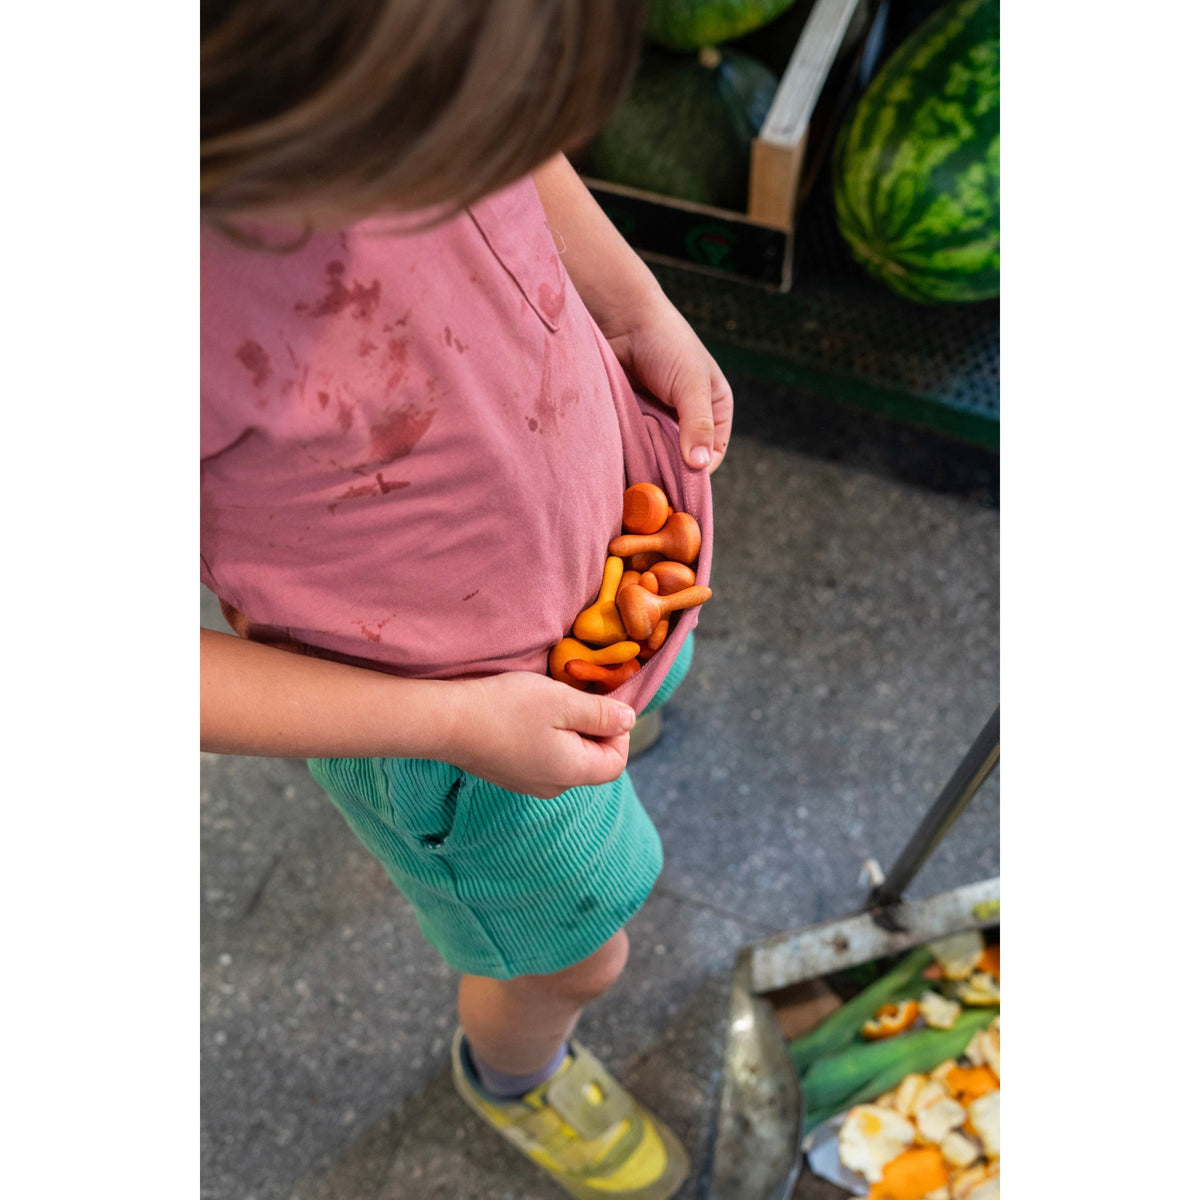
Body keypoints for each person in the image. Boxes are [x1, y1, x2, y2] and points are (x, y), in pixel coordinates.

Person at [201, 3, 733, 1197]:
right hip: (449, 731)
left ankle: (623, 725)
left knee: (639, 702)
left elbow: (519, 147)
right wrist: (450, 726)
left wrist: (634, 303)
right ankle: (515, 1074)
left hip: (603, 541)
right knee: (575, 959)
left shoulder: (412, 70)